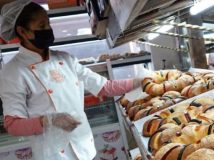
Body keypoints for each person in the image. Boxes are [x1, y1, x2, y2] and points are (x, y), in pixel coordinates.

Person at [0, 0, 141, 159]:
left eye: (48, 24)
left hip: (84, 147)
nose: (48, 29)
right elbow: (13, 125)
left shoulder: (65, 59)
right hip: (53, 154)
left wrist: (138, 83)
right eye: (41, 26)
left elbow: (104, 87)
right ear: (22, 31)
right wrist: (48, 121)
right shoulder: (13, 72)